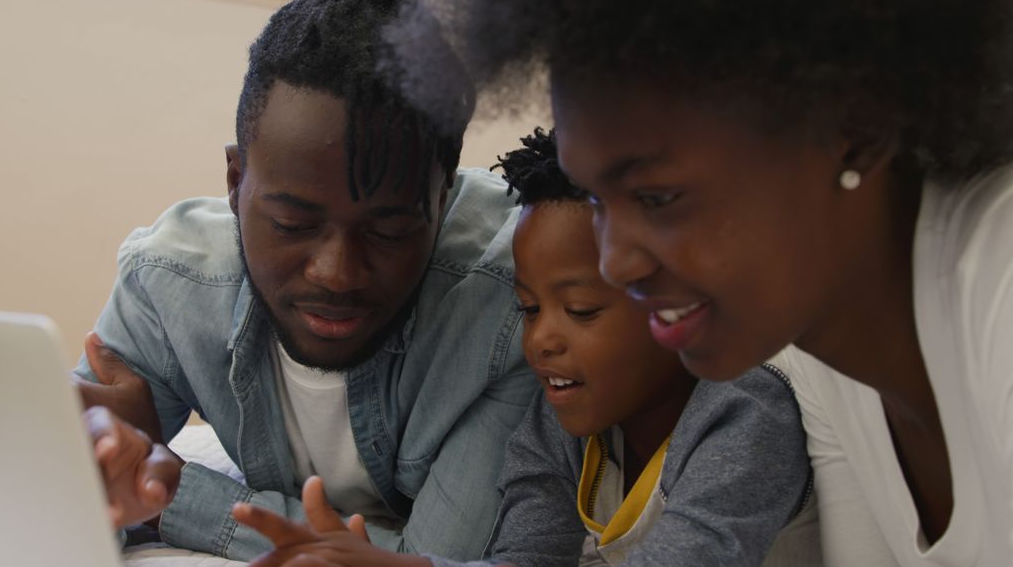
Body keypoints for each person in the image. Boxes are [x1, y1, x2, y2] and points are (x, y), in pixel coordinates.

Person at [381, 0, 1013, 565]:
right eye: (600, 202)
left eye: (657, 196)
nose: (617, 264)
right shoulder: (815, 357)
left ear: (853, 128)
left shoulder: (998, 285)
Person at [73, 0, 538, 561]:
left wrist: (171, 494)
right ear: (235, 180)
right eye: (292, 223)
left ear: (443, 199)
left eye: (388, 231)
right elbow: (58, 500)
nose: (336, 274)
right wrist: (98, 463)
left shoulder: (516, 300)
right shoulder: (169, 282)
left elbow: (428, 558)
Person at [230, 128, 821, 567]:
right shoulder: (559, 428)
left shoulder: (743, 413)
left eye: (582, 310)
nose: (541, 341)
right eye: (529, 308)